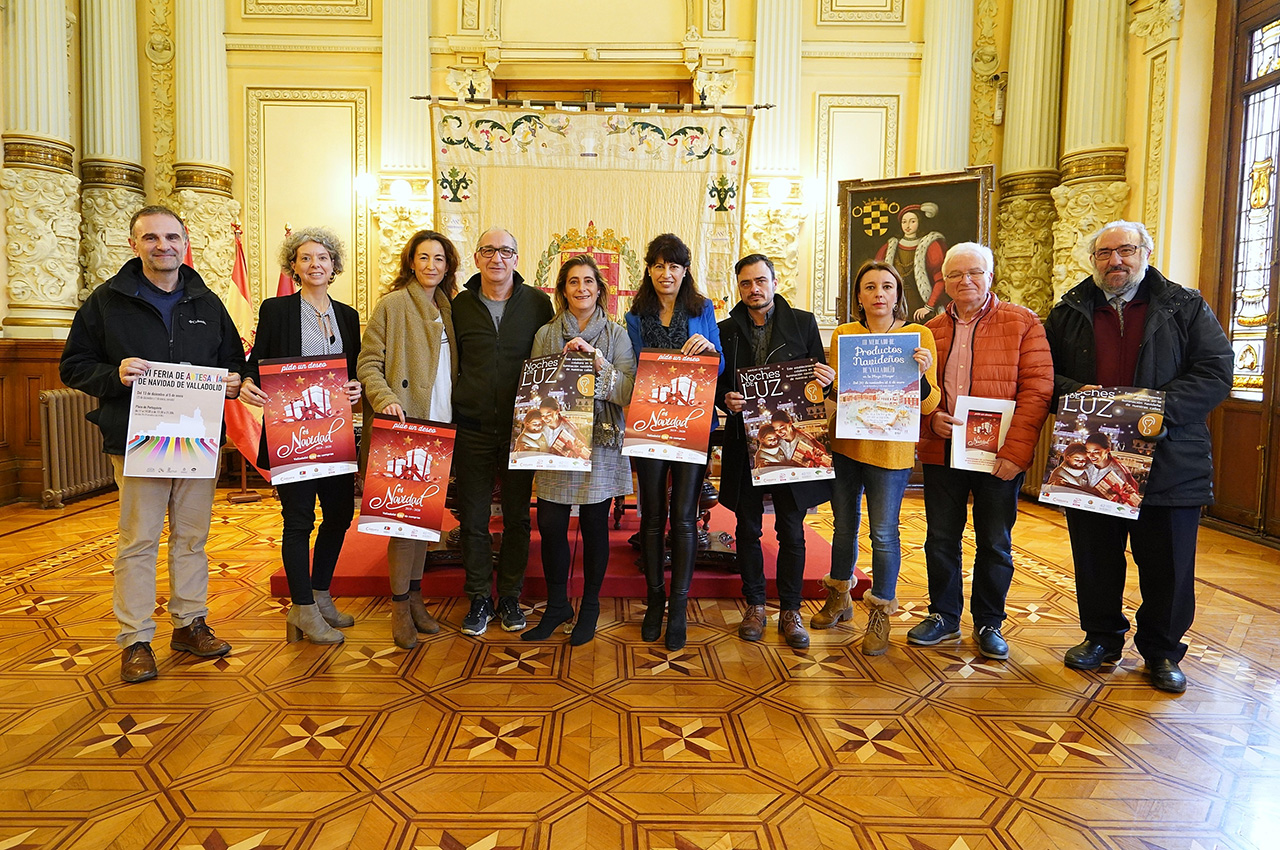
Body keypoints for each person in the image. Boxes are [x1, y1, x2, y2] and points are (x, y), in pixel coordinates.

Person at [1044, 219, 1232, 693]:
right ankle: (1101, 638)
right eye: (1105, 253)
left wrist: (1153, 411)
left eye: (1125, 250)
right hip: (1092, 457)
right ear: (1093, 260)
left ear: (1145, 253)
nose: (1116, 261)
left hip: (1170, 459)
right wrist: (1080, 393)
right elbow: (1044, 374)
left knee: (1169, 565)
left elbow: (1215, 371)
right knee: (1095, 558)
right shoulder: (1068, 310)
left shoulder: (1185, 305)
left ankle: (1162, 651)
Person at [59, 205, 244, 683]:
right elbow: (73, 366)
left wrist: (234, 381)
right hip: (138, 440)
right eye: (151, 238)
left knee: (192, 539)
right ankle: (136, 638)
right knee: (138, 541)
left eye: (172, 237)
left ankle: (190, 622)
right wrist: (114, 374)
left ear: (186, 243)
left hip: (196, 440)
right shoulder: (106, 301)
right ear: (134, 244)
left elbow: (233, 361)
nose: (163, 246)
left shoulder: (208, 302)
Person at [909, 242, 1053, 660]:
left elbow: (1038, 389)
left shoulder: (1022, 322)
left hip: (998, 455)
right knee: (940, 538)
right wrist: (930, 420)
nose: (965, 281)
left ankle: (990, 622)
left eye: (974, 272)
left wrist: (1016, 453)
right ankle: (943, 615)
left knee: (995, 542)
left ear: (990, 276)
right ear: (945, 281)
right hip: (944, 450)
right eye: (955, 274)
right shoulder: (930, 330)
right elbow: (914, 391)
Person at [241, 227, 362, 645]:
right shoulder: (276, 310)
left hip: (334, 431)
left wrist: (356, 388)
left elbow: (354, 370)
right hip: (291, 431)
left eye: (323, 257)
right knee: (298, 520)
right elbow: (256, 362)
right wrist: (248, 382)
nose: (315, 264)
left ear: (334, 265)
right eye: (306, 258)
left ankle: (320, 594)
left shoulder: (347, 315)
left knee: (340, 515)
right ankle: (302, 608)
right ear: (293, 266)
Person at [820, 260, 940, 655]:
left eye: (887, 286)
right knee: (842, 526)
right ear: (859, 296)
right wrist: (827, 385)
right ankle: (839, 597)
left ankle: (880, 612)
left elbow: (929, 405)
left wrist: (921, 377)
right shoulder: (845, 334)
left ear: (898, 294)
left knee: (884, 533)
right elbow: (838, 396)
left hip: (891, 449)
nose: (878, 294)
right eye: (869, 287)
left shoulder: (918, 336)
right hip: (846, 445)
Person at [716, 253, 833, 650]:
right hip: (744, 443)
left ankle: (791, 610)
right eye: (746, 283)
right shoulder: (726, 330)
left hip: (792, 444)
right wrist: (725, 398)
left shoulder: (803, 323)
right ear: (738, 288)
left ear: (775, 282)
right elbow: (718, 384)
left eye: (761, 281)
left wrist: (826, 381)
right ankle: (754, 605)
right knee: (747, 528)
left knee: (791, 530)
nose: (755, 289)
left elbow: (817, 382)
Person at [523, 255, 636, 645]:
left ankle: (589, 606)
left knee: (593, 525)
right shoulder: (546, 334)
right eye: (573, 281)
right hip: (556, 440)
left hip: (601, 441)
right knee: (551, 524)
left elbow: (627, 391)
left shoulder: (617, 335)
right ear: (563, 290)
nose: (582, 288)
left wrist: (597, 363)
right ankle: (557, 605)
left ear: (600, 290)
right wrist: (563, 365)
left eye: (589, 281)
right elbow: (533, 389)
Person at [357, 229, 459, 649]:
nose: (431, 265)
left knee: (425, 524)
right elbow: (368, 363)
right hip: (405, 425)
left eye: (439, 258)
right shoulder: (393, 304)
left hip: (441, 427)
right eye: (424, 257)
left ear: (448, 266)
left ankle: (416, 599)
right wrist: (386, 399)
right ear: (411, 263)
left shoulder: (449, 309)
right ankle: (399, 606)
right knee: (403, 524)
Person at [451, 227, 554, 636]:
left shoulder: (538, 304)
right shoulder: (459, 305)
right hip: (472, 427)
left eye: (506, 251)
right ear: (477, 258)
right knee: (474, 519)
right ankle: (479, 597)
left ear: (516, 258)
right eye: (489, 250)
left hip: (522, 430)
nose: (497, 258)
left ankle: (510, 596)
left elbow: (552, 354)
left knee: (517, 519)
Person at [625, 233, 723, 651]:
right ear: (649, 270)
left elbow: (719, 362)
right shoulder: (635, 315)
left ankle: (678, 606)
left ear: (685, 271)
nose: (667, 273)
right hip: (649, 421)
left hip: (693, 422)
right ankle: (654, 600)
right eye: (659, 266)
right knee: (651, 516)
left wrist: (710, 349)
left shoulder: (703, 309)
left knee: (684, 517)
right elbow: (630, 368)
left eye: (674, 266)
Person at [875, 203, 947, 322]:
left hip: (921, 303)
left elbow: (941, 280)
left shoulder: (930, 245)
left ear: (920, 222)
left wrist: (928, 306)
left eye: (912, 221)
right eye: (904, 222)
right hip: (896, 303)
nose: (907, 226)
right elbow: (876, 277)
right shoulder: (890, 247)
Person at [1083, 432, 1142, 507]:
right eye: (1088, 451)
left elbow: (1127, 498)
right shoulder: (1085, 464)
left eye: (1096, 452)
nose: (1091, 455)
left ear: (1107, 450)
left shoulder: (1118, 471)